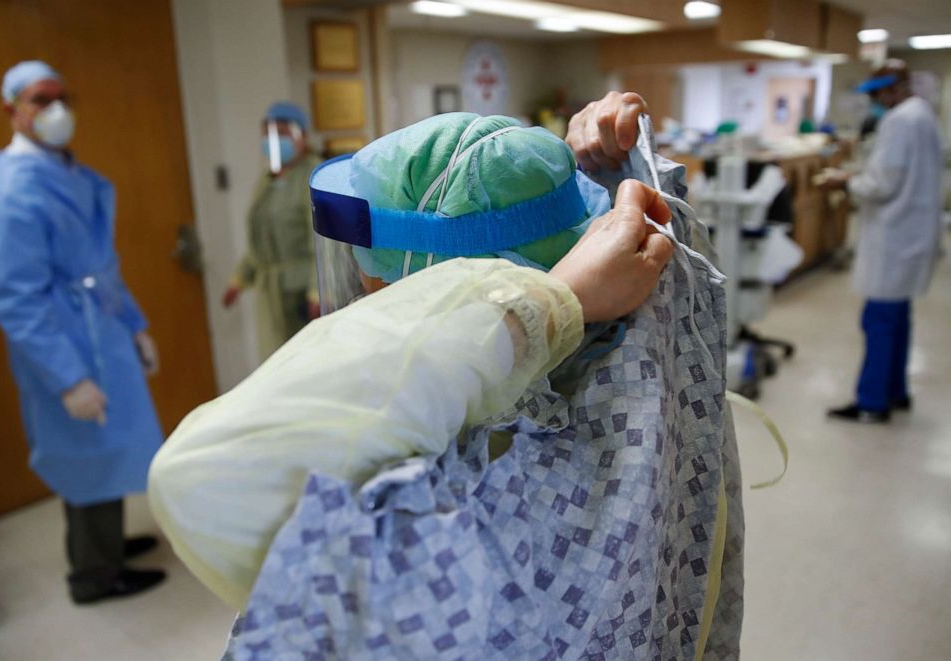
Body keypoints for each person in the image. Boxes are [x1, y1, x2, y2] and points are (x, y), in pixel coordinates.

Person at [151, 93, 743, 659]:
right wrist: (615, 170)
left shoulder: (495, 472)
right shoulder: (641, 366)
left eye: (372, 268)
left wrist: (550, 298)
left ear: (447, 281)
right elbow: (662, 224)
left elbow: (202, 476)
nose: (365, 287)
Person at [0, 61, 166, 604]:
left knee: (105, 450)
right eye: (40, 99)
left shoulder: (62, 171)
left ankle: (108, 547)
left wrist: (134, 325)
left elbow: (97, 265)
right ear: (12, 111)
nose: (56, 110)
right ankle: (94, 577)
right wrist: (68, 377)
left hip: (98, 333)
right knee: (85, 456)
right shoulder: (10, 193)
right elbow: (16, 299)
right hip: (66, 349)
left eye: (61, 97)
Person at [823, 60, 944, 423]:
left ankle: (872, 403)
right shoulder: (923, 114)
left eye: (876, 94)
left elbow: (881, 185)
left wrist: (844, 182)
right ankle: (896, 391)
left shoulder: (898, 121)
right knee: (898, 318)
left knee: (878, 320)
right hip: (913, 231)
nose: (875, 102)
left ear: (892, 88)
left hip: (894, 235)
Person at [222, 102, 322, 359]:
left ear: (303, 136)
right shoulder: (267, 179)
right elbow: (260, 238)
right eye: (269, 132)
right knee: (276, 361)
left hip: (301, 298)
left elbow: (321, 240)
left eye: (283, 133)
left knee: (306, 361)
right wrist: (239, 279)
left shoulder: (313, 175)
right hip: (272, 295)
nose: (274, 140)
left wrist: (319, 291)